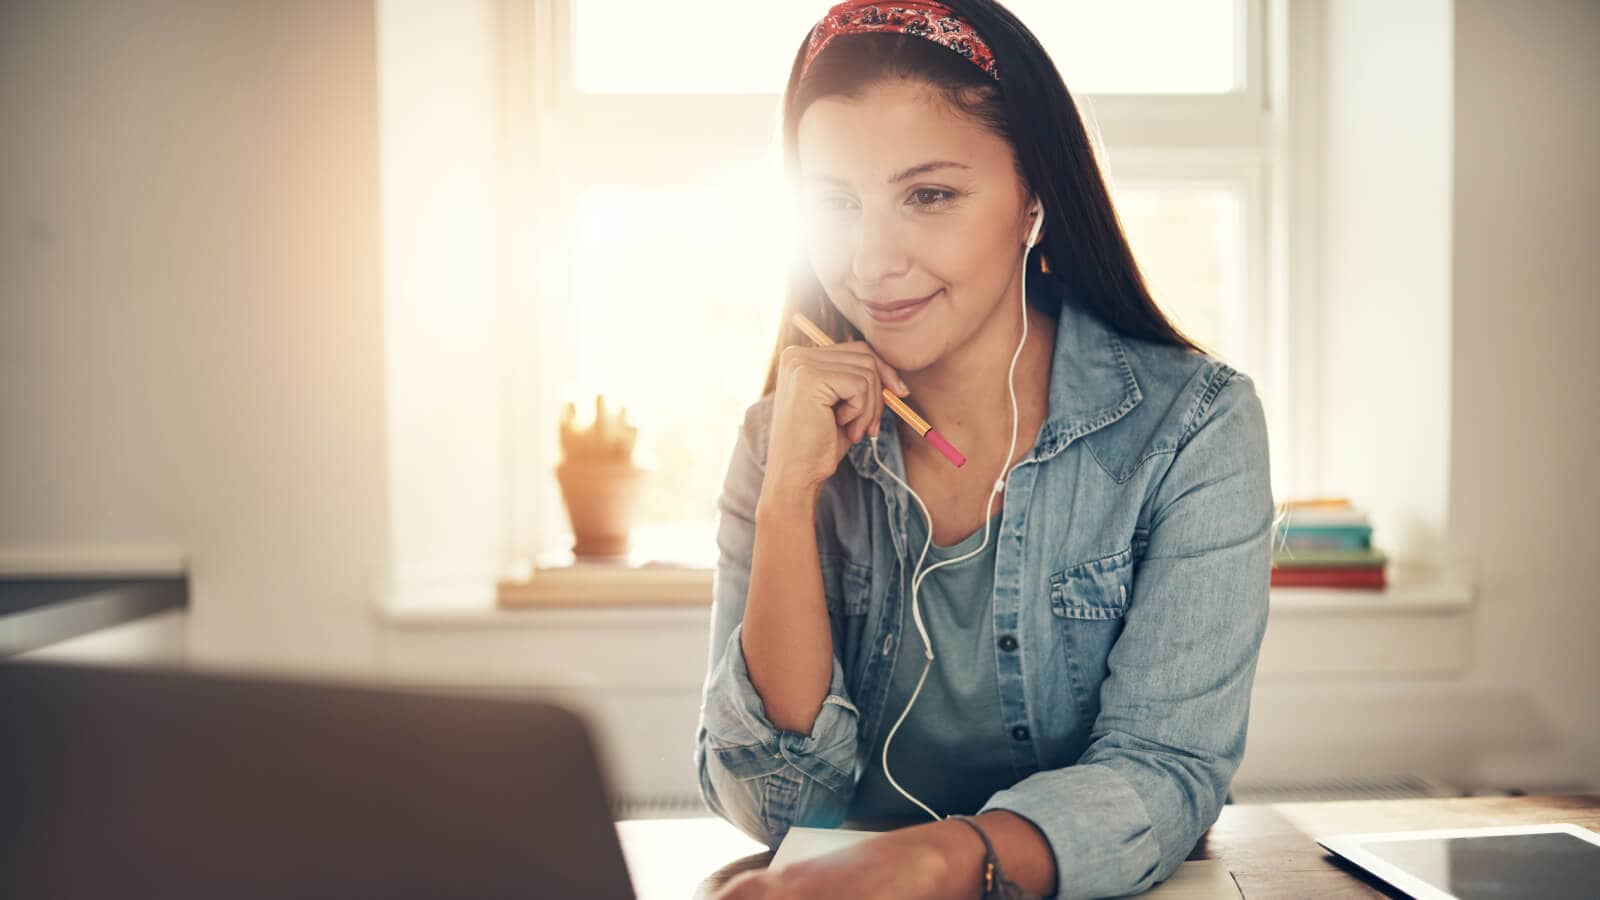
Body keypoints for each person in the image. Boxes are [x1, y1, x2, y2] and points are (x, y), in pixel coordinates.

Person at [694, 2, 1277, 898]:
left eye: (929, 196)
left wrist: (939, 860)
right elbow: (775, 807)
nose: (873, 260)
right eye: (834, 202)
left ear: (1033, 196)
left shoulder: (1193, 427)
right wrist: (787, 501)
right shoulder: (777, 439)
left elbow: (1167, 773)